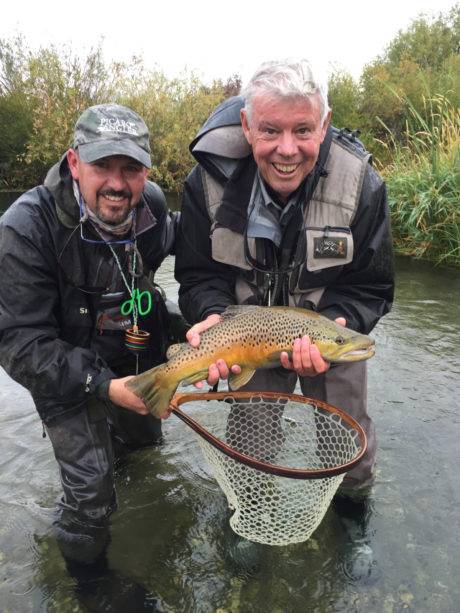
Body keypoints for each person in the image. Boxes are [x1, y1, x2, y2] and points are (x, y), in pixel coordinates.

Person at [175, 59, 394, 500]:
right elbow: (198, 275)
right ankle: (250, 518)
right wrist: (213, 315)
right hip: (245, 334)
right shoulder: (204, 186)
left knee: (350, 447)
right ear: (247, 126)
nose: (287, 150)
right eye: (271, 130)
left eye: (303, 130)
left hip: (328, 331)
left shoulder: (363, 186)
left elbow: (371, 286)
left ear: (325, 124)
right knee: (249, 448)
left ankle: (352, 515)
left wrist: (340, 319)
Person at [0, 103, 179, 604]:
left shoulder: (154, 209)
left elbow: (178, 255)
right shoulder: (25, 229)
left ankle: (123, 463)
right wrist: (100, 387)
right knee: (91, 497)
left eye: (132, 169)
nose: (118, 183)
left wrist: (204, 320)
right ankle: (90, 583)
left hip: (132, 355)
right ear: (74, 162)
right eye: (103, 166)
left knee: (146, 449)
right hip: (62, 368)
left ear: (146, 171)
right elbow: (19, 343)